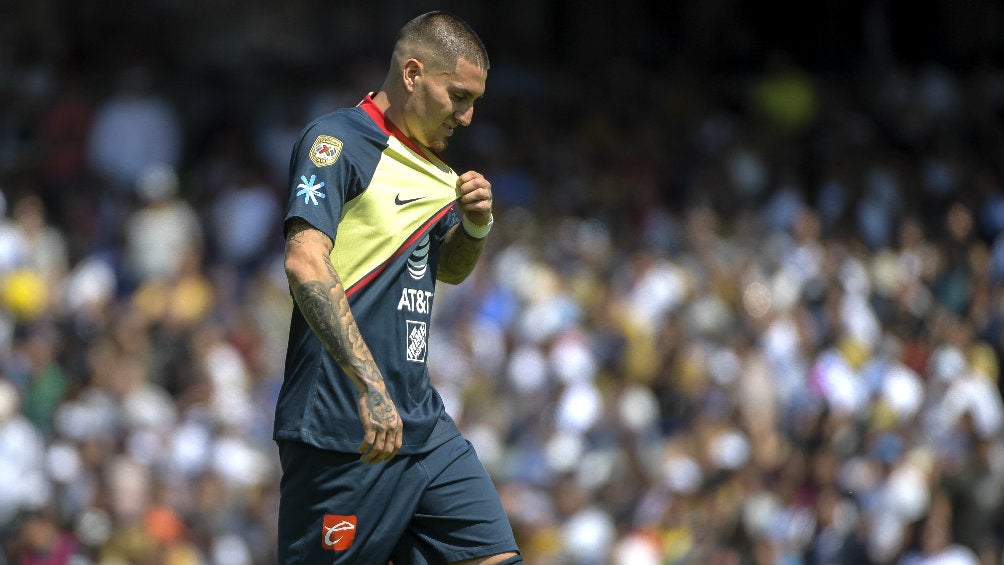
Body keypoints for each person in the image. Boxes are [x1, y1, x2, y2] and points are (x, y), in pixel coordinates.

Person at [274, 11, 521, 565]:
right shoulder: (336, 142)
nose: (469, 116)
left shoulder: (433, 170)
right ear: (412, 74)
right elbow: (305, 264)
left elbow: (447, 271)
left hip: (421, 425)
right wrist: (370, 387)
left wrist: (474, 226)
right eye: (459, 96)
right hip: (344, 430)